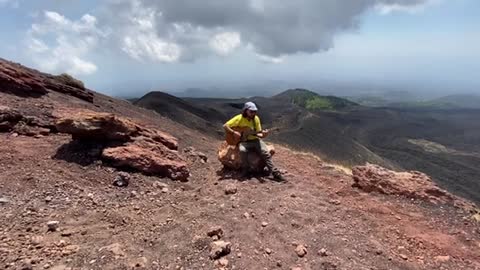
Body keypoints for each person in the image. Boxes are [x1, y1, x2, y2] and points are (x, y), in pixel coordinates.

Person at [223, 101, 285, 181]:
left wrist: (264, 134)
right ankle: (245, 170)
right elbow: (225, 126)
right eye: (251, 111)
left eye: (255, 111)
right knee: (242, 151)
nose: (253, 113)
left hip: (255, 140)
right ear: (246, 110)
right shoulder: (239, 118)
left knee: (265, 153)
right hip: (244, 141)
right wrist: (234, 132)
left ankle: (276, 173)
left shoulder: (256, 119)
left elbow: (259, 134)